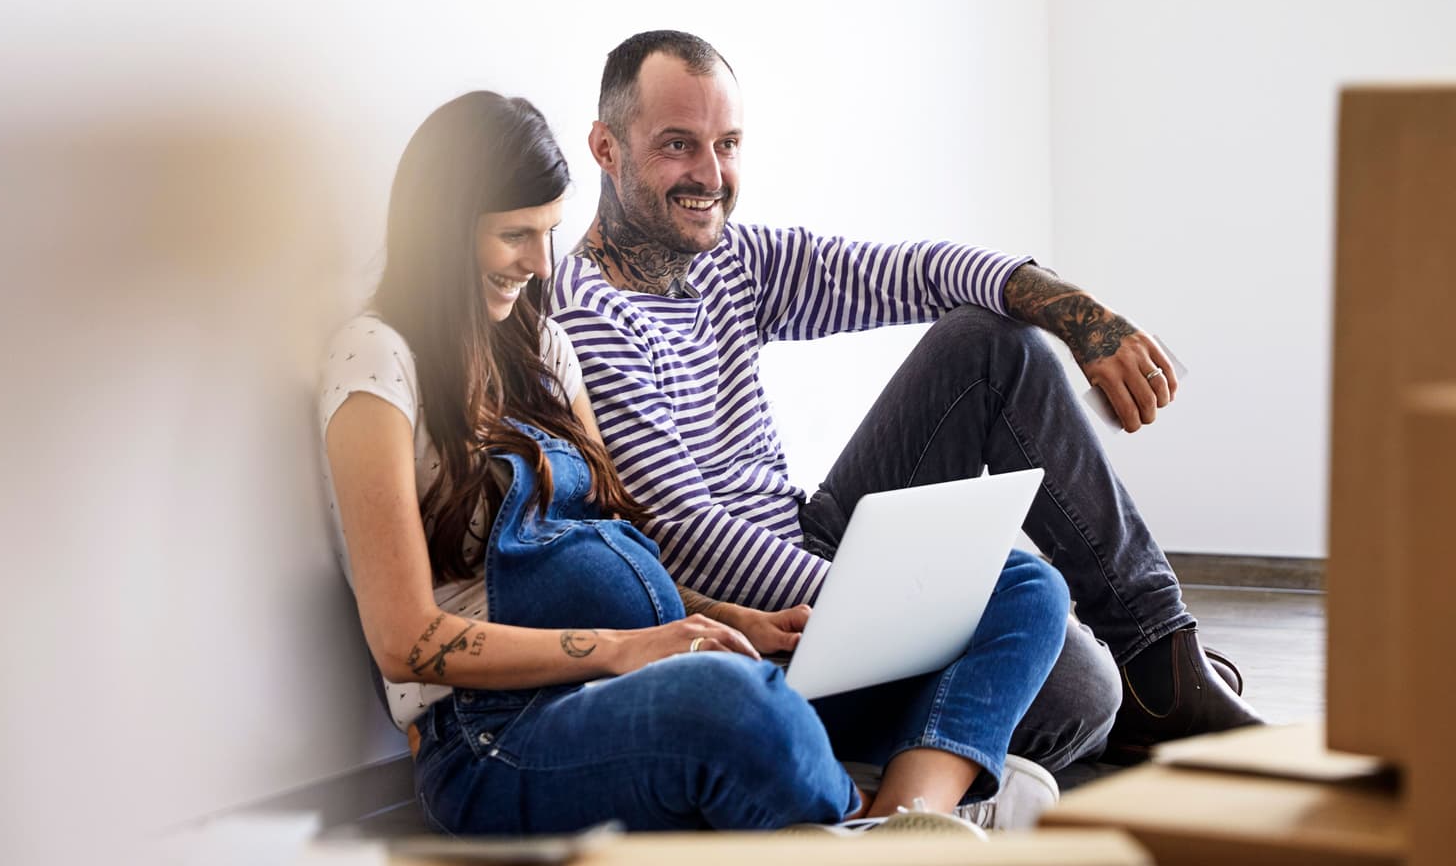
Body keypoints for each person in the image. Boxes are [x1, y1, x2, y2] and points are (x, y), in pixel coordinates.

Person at [317, 90, 1071, 835]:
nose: (540, 263)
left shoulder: (542, 349)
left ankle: (904, 819)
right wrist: (629, 650)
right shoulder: (376, 360)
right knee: (730, 703)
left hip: (648, 669)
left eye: (550, 232)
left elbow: (613, 550)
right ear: (443, 230)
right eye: (515, 234)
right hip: (498, 733)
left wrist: (729, 619)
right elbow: (404, 638)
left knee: (1020, 584)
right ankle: (895, 816)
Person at [551, 30, 1262, 768]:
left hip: (811, 539)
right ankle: (1088, 695)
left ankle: (1161, 660)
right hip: (756, 634)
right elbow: (687, 536)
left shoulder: (730, 256)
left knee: (987, 343)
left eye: (726, 143)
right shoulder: (588, 315)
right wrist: (914, 606)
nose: (711, 174)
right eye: (678, 145)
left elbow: (912, 272)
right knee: (1079, 691)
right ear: (606, 148)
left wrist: (1075, 311)